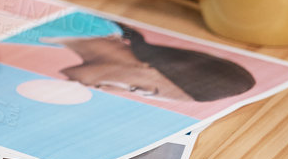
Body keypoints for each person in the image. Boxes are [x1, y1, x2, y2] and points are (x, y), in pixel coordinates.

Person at [34, 21, 254, 102]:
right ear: (151, 65)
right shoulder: (84, 22)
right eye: (137, 88)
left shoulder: (47, 42)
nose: (108, 90)